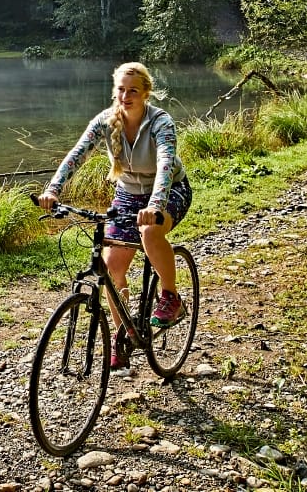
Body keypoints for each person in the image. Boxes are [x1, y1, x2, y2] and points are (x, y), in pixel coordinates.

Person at [37, 61, 193, 371]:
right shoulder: (104, 122)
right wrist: (53, 190)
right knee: (111, 268)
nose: (125, 96)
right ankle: (125, 337)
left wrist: (155, 205)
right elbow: (77, 154)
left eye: (133, 90)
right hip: (127, 194)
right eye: (121, 90)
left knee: (150, 233)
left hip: (169, 190)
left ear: (146, 93)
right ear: (114, 91)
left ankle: (171, 296)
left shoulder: (161, 123)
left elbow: (164, 166)